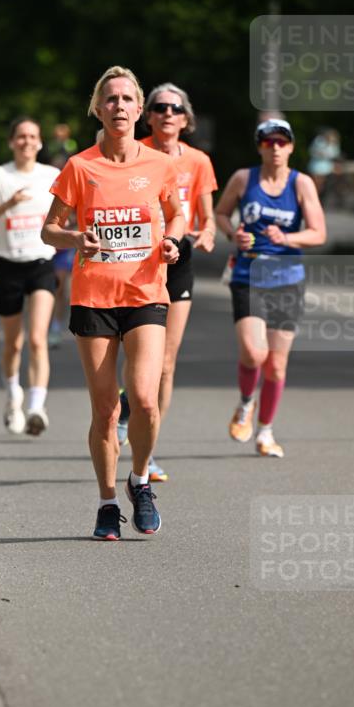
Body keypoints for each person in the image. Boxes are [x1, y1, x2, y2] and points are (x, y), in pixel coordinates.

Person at [41, 65, 185, 539]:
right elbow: (49, 229)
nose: (119, 106)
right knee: (104, 410)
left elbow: (176, 214)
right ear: (97, 109)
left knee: (143, 400)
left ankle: (140, 481)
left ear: (139, 110)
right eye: (111, 99)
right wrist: (75, 237)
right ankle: (107, 502)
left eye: (127, 99)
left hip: (145, 293)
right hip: (93, 297)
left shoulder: (160, 165)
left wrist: (174, 243)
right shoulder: (80, 167)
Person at [116, 82, 218, 481]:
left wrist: (207, 234)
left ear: (186, 119)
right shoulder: (134, 152)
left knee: (167, 361)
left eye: (175, 108)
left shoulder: (198, 161)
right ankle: (129, 406)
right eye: (159, 107)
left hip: (179, 258)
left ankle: (149, 449)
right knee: (142, 357)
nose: (167, 114)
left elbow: (205, 218)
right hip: (137, 260)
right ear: (149, 115)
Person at [214, 118, 326, 458]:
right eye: (268, 142)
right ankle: (246, 402)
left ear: (291, 147)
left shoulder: (301, 183)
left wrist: (288, 237)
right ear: (260, 146)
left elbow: (318, 232)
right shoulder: (243, 179)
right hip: (248, 275)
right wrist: (234, 234)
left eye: (281, 142)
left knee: (276, 365)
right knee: (252, 352)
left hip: (287, 280)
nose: (275, 148)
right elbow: (220, 213)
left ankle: (265, 432)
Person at [0, 117, 58, 436]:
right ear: (12, 142)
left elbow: (68, 212)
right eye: (21, 136)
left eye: (32, 136)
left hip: (41, 263)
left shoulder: (52, 176)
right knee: (14, 343)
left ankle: (37, 406)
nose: (26, 141)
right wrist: (8, 204)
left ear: (39, 142)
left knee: (38, 338)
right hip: (7, 265)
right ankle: (14, 398)